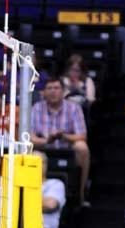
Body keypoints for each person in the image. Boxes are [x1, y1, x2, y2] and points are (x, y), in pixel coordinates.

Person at [30, 78, 90, 206]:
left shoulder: (74, 108)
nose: (53, 91)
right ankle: (32, 195)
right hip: (44, 148)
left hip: (66, 147)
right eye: (49, 88)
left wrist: (64, 136)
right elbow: (30, 137)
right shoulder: (36, 108)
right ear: (44, 93)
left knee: (82, 147)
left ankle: (81, 194)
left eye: (56, 88)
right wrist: (47, 140)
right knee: (30, 150)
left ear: (63, 92)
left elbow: (82, 136)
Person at [33, 150, 66, 228]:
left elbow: (50, 204)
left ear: (45, 165)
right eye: (32, 163)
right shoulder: (19, 186)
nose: (36, 166)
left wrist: (22, 202)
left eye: (39, 162)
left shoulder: (55, 184)